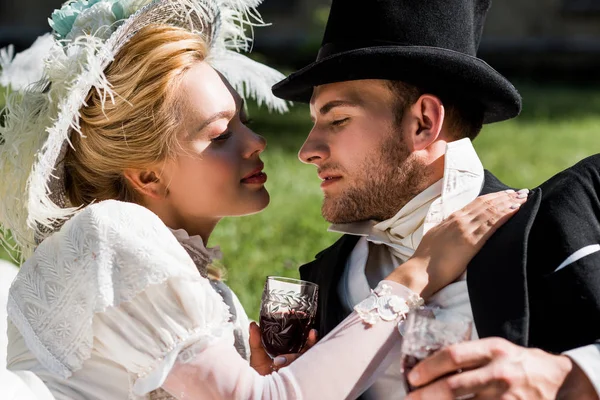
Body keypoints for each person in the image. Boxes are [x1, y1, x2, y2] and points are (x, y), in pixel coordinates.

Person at [0, 0, 527, 399]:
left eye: (244, 123)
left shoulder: (215, 300)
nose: (258, 143)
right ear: (147, 175)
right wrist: (417, 273)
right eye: (221, 133)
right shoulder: (113, 231)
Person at [271, 0, 600, 399]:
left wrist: (568, 375)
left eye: (337, 119)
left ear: (424, 122)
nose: (307, 151)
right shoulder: (323, 280)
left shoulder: (558, 226)